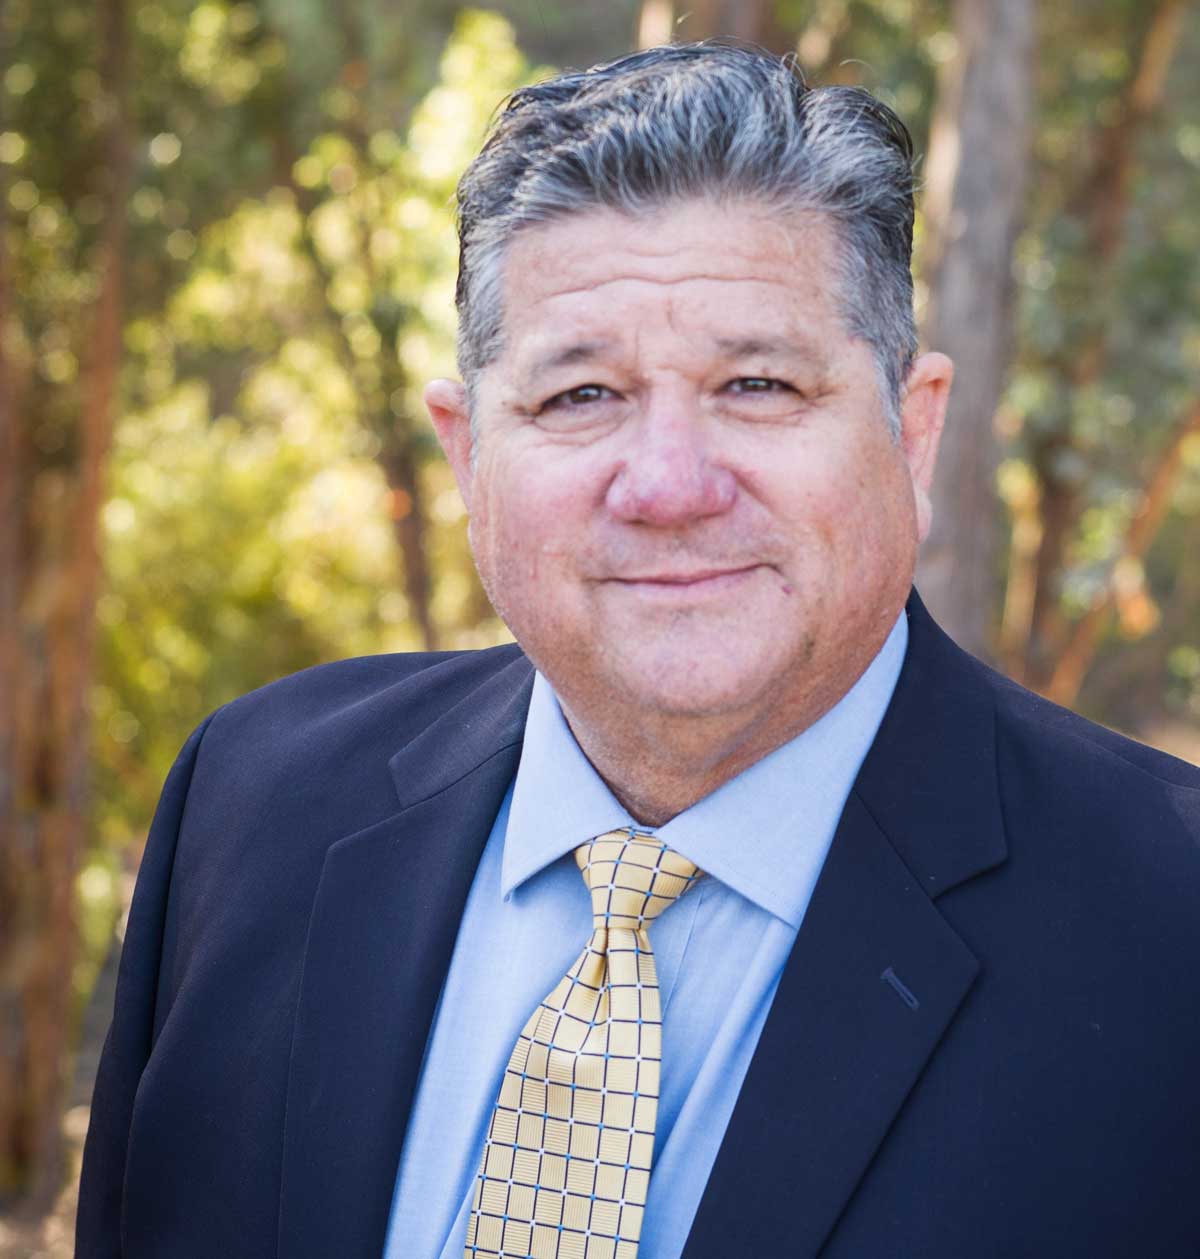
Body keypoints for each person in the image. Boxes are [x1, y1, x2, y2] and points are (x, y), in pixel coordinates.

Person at [77, 42, 1200, 1259]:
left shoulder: (1170, 926)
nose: (669, 484)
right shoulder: (253, 801)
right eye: (581, 396)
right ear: (468, 458)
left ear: (912, 435)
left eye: (758, 384)